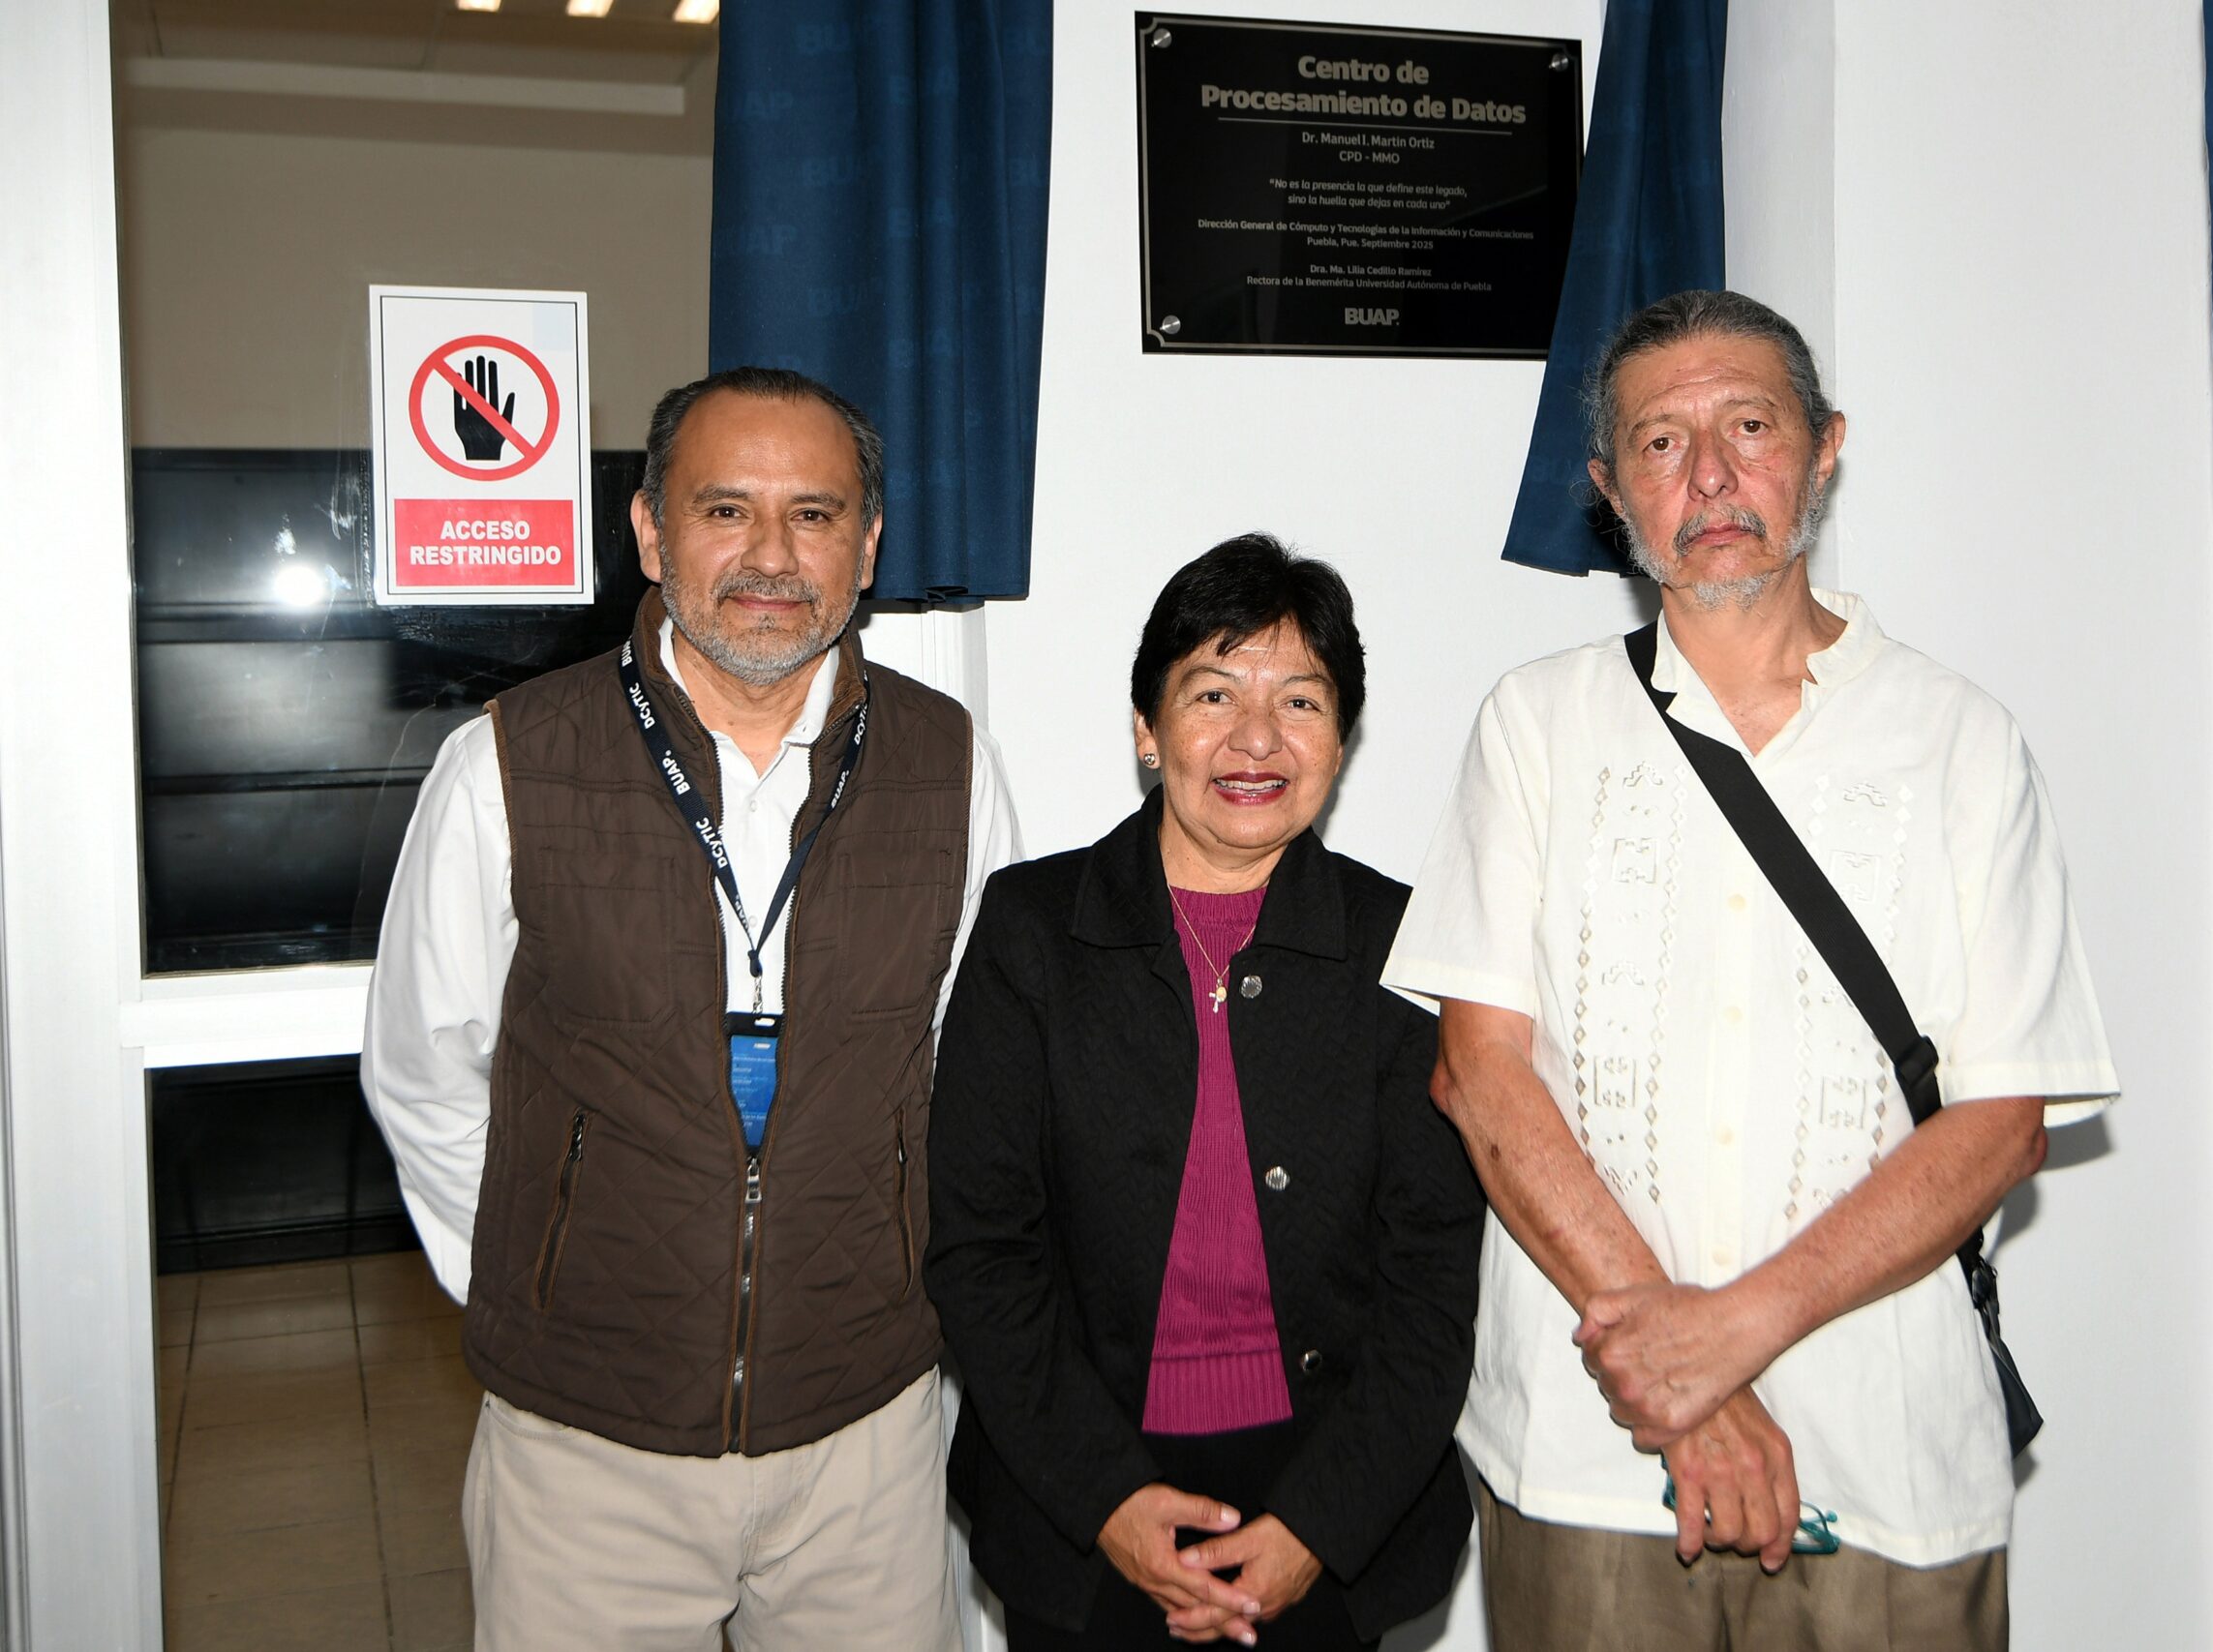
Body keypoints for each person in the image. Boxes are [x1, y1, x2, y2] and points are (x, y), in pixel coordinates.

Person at [1382, 290, 2119, 1651]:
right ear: (1611, 493)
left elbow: (2005, 1116)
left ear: (1825, 449)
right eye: (1661, 443)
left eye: (1750, 426)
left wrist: (1727, 1335)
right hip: (1588, 1451)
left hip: (1889, 1450)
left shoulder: (1961, 740)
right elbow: (1481, 1072)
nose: (1710, 475)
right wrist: (1686, 1376)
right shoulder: (1536, 725)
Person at [362, 365, 1017, 1651]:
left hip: (866, 1440)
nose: (773, 553)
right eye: (727, 508)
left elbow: (966, 1068)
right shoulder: (506, 759)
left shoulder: (948, 761)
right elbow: (425, 1070)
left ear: (869, 546)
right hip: (585, 1451)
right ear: (653, 531)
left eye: (817, 515)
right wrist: (541, 1280)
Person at [926, 535, 1483, 1650]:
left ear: (1340, 738)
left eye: (1301, 702)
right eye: (1212, 693)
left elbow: (1435, 1278)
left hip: (1332, 1499)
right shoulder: (1031, 932)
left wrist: (1316, 1528)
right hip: (1080, 1490)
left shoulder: (1405, 946)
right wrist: (1109, 1505)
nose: (1256, 740)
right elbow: (982, 1251)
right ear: (1147, 729)